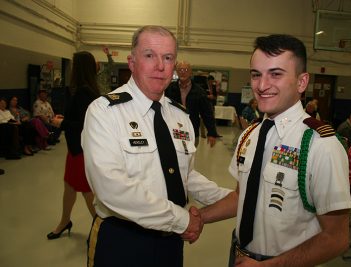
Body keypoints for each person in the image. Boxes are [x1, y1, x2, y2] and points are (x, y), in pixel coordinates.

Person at [81, 25, 234, 267]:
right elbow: (111, 187)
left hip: (170, 242)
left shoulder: (180, 116)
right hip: (122, 240)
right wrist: (183, 220)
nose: (160, 66)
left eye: (168, 57)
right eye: (149, 55)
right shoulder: (104, 112)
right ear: (132, 62)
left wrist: (229, 197)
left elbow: (185, 174)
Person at [200, 34, 351, 267]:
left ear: (302, 82)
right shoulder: (249, 135)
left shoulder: (320, 145)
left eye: (276, 74)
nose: (262, 86)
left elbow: (336, 238)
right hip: (239, 255)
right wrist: (199, 218)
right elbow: (241, 198)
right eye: (256, 74)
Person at [46, 51, 99, 240]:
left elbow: (85, 125)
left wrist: (62, 123)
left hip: (81, 150)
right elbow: (79, 118)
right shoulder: (86, 90)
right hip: (75, 150)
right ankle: (64, 221)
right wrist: (66, 118)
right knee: (69, 187)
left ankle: (102, 229)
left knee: (86, 191)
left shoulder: (84, 92)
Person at [165, 60, 218, 147]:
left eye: (186, 70)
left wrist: (212, 133)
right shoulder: (169, 89)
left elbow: (207, 113)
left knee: (189, 159)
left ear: (191, 73)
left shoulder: (199, 91)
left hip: (192, 131)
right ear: (177, 72)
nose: (183, 72)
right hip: (173, 130)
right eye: (180, 70)